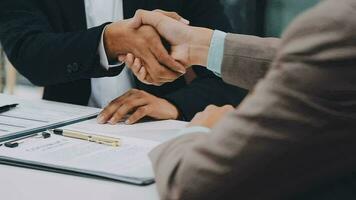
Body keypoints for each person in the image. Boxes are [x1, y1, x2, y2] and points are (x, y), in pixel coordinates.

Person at [120, 0, 356, 199]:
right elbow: (323, 63)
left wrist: (198, 131)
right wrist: (196, 45)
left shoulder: (339, 24)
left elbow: (191, 185)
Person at [0, 0, 247, 124]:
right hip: (68, 130)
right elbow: (30, 54)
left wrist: (174, 106)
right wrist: (109, 41)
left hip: (160, 130)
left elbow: (229, 74)